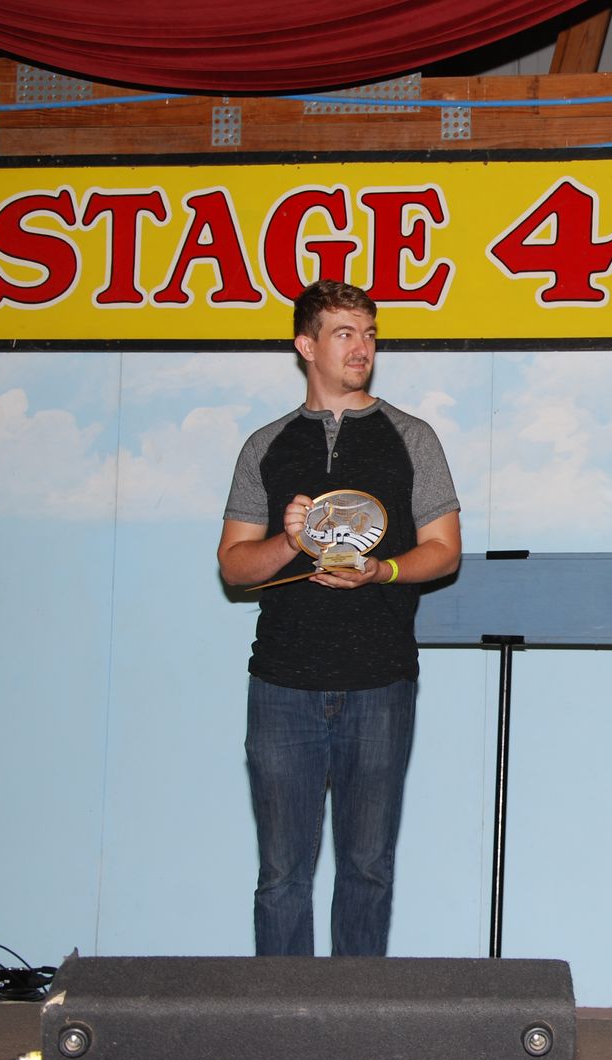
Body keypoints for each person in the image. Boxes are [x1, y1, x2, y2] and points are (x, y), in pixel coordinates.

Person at [217, 279, 462, 956]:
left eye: (370, 334)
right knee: (281, 876)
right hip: (281, 685)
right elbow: (234, 565)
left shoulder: (413, 437)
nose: (362, 348)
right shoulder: (265, 445)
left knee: (367, 870)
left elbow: (445, 551)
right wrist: (289, 541)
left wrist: (381, 571)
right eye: (345, 334)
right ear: (306, 345)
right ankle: (282, 1013)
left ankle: (358, 1012)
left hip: (381, 681)